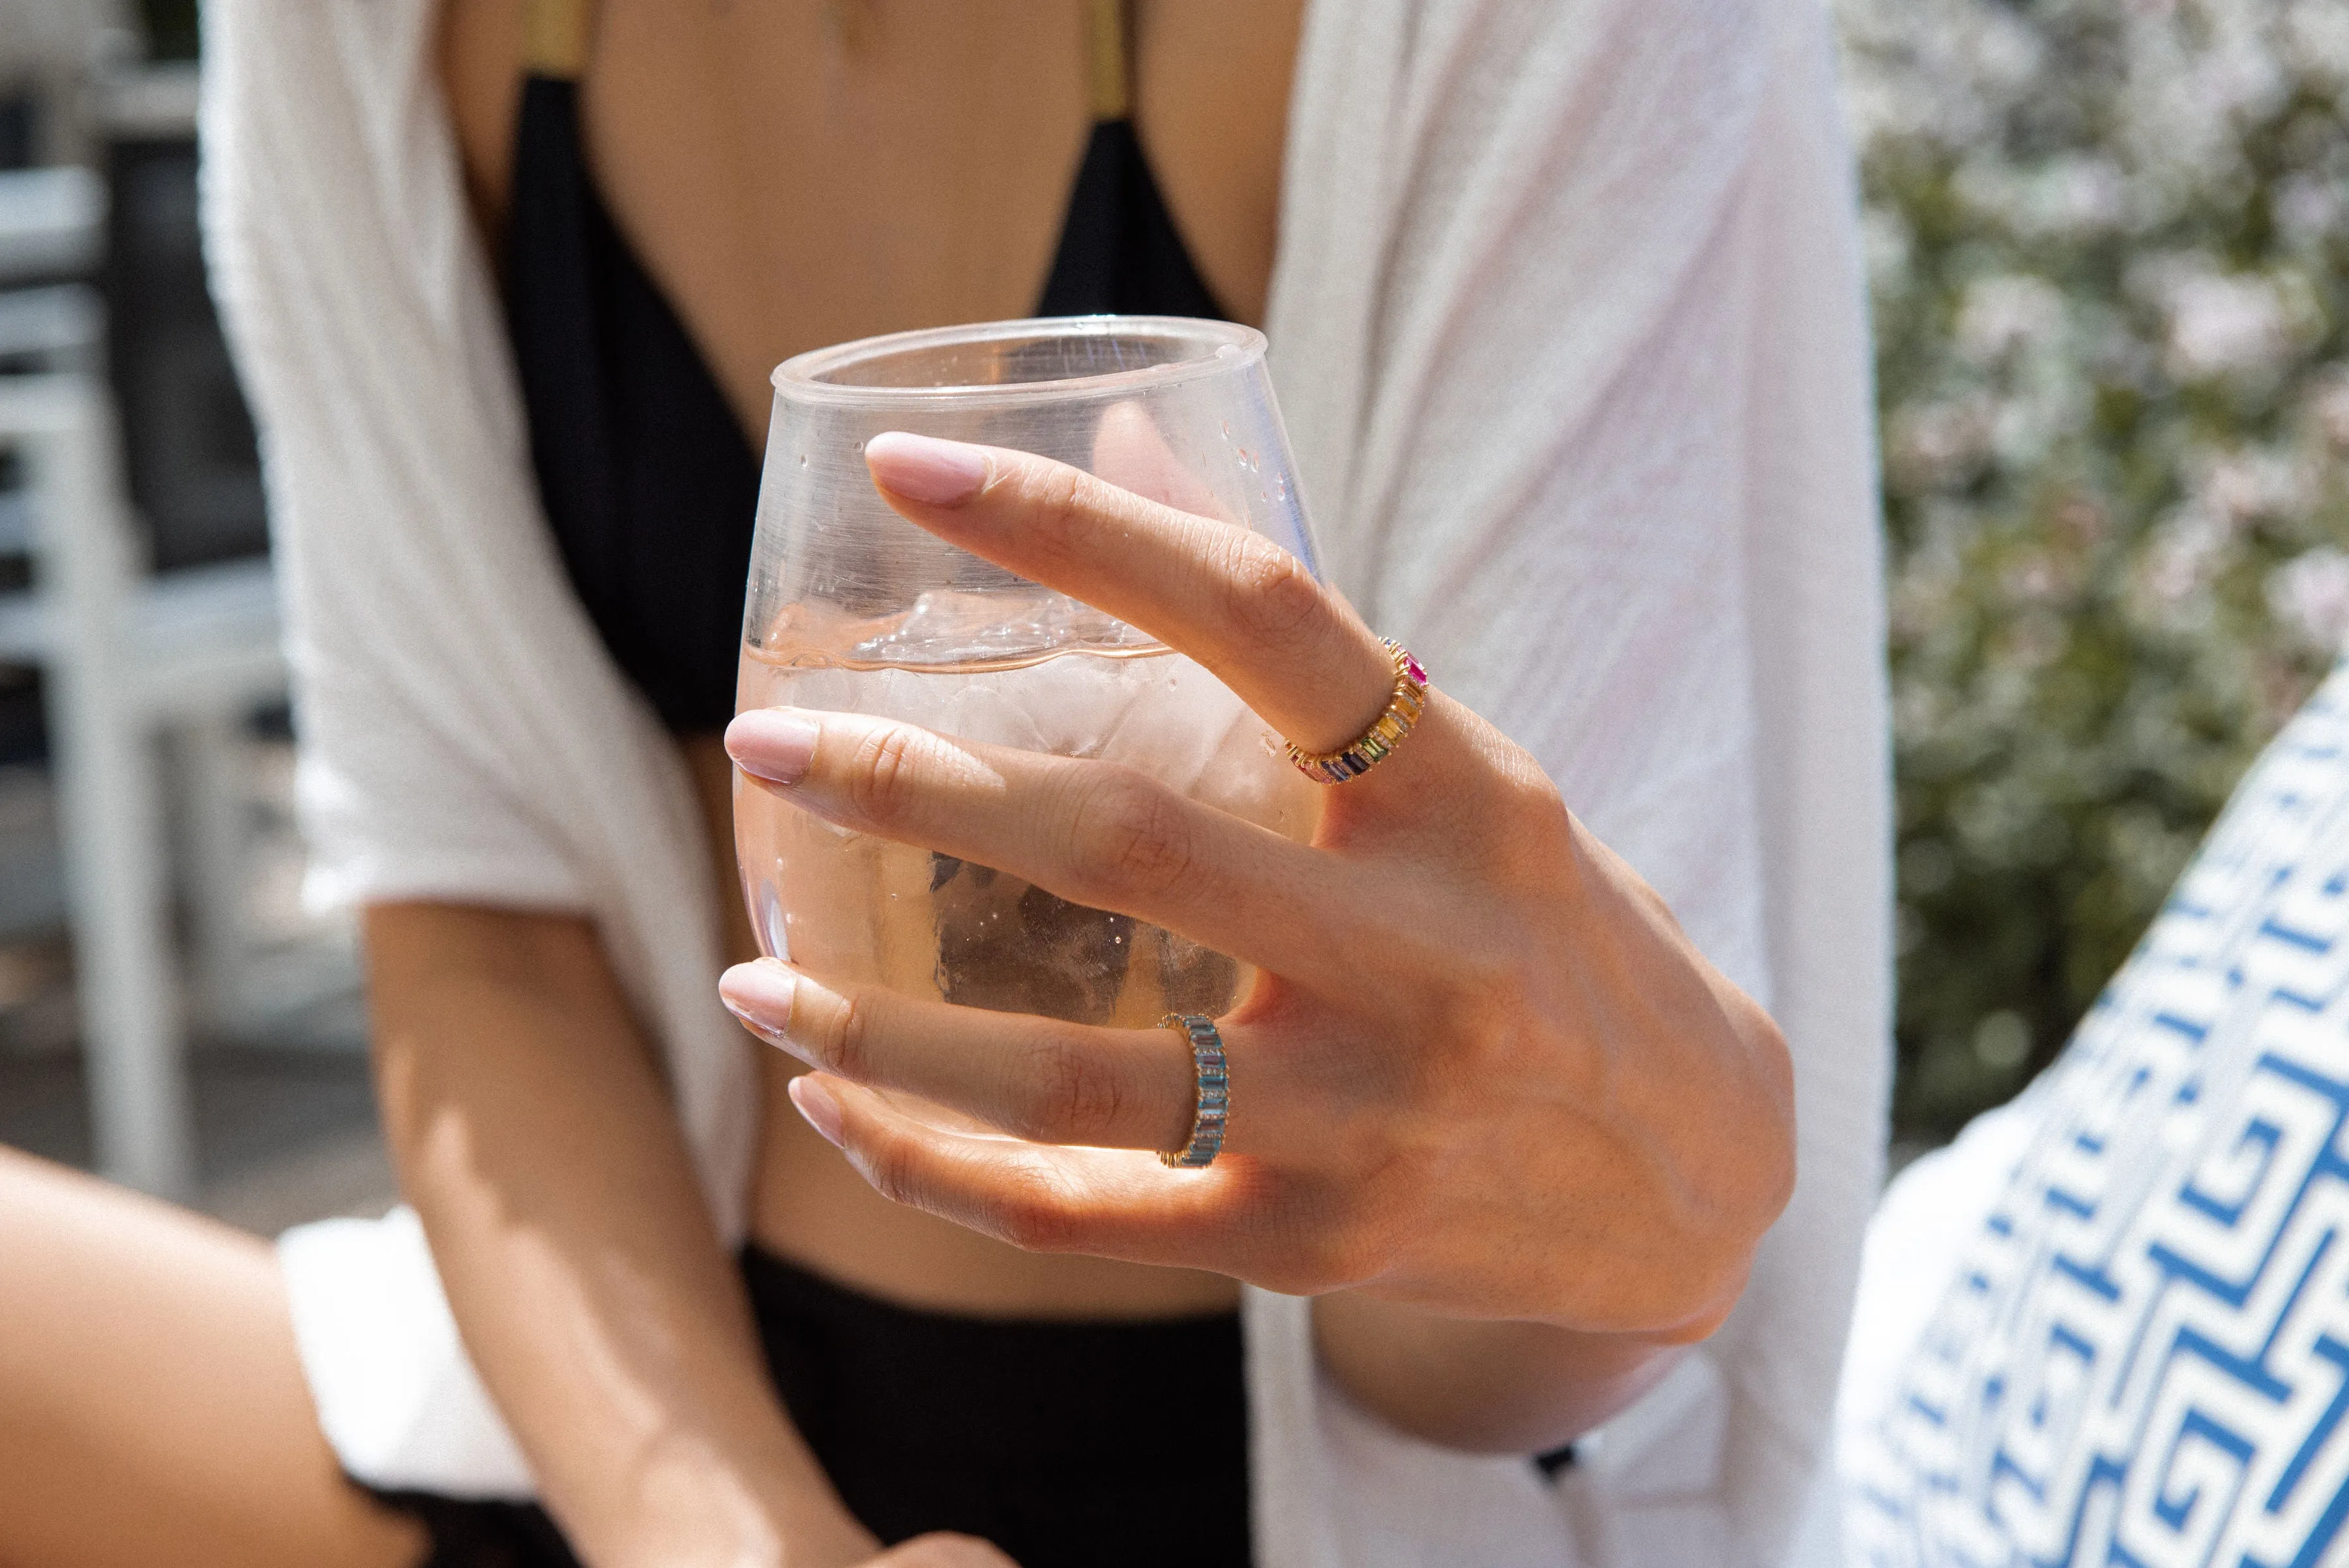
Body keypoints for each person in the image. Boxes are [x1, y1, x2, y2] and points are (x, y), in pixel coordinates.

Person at [0, 1, 1890, 1565]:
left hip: (1345, 1482)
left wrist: (1600, 1218)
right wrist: (729, 1540)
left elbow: (1513, 1265)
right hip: (655, 1397)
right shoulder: (360, 34)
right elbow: (477, 923)